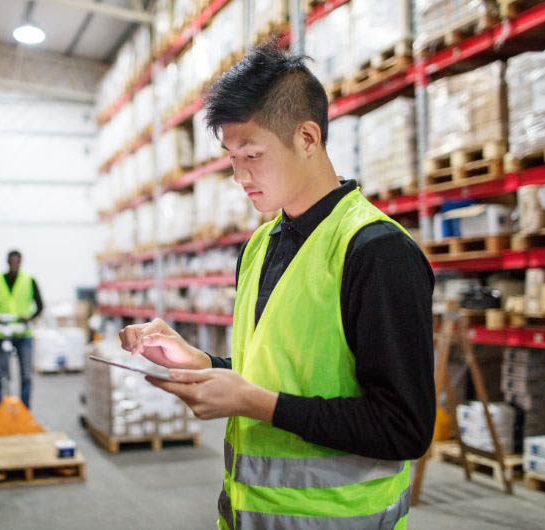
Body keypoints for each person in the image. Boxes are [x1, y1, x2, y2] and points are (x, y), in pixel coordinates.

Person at [119, 44, 435, 529]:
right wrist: (201, 363)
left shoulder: (376, 252)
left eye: (252, 154)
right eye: (230, 157)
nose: (239, 175)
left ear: (308, 138)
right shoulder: (261, 245)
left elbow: (404, 427)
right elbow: (272, 372)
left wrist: (251, 403)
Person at [0, 250, 44, 412]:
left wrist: (29, 317)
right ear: (7, 262)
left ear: (21, 262)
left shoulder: (29, 281)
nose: (14, 264)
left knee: (26, 375)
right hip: (2, 333)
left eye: (17, 262)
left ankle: (25, 411)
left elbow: (40, 306)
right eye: (12, 261)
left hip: (23, 334)